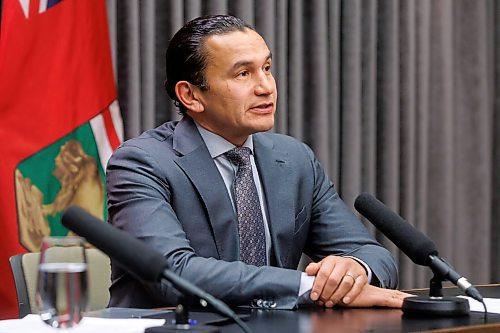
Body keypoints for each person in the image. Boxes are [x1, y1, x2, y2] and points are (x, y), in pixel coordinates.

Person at [106, 14, 409, 310]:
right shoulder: (142, 163)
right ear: (191, 95)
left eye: (267, 68)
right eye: (243, 74)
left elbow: (370, 254)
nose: (266, 87)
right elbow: (173, 273)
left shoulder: (294, 159)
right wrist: (307, 286)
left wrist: (353, 271)